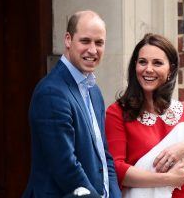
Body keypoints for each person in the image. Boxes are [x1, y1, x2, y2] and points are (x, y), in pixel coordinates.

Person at [105, 33, 184, 198]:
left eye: (157, 63)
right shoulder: (117, 112)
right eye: (142, 62)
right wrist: (167, 179)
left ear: (170, 70)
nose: (148, 69)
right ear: (135, 67)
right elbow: (116, 169)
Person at [22, 10, 121, 198]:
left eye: (99, 43)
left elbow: (104, 156)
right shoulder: (51, 92)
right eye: (85, 41)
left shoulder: (94, 91)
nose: (93, 50)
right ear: (68, 40)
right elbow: (66, 167)